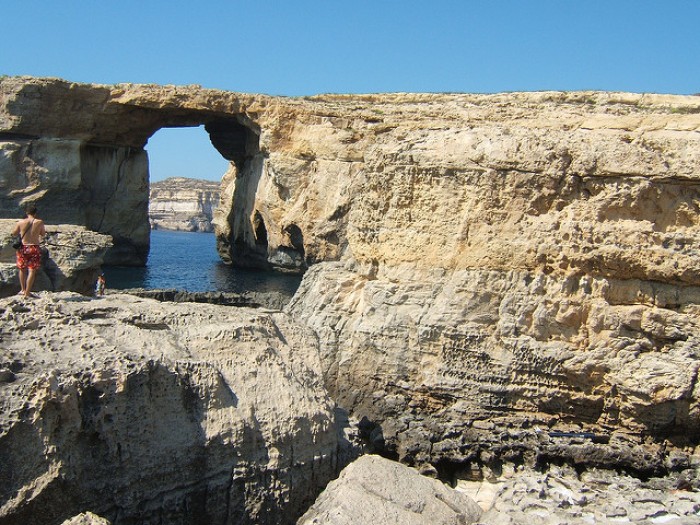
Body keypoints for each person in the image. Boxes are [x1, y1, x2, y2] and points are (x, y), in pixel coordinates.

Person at [11, 205, 47, 298]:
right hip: (34, 248)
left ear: (27, 213)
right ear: (35, 213)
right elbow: (43, 234)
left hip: (23, 248)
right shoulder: (39, 222)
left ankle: (23, 290)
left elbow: (14, 233)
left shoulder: (21, 222)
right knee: (32, 270)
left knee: (22, 269)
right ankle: (27, 293)